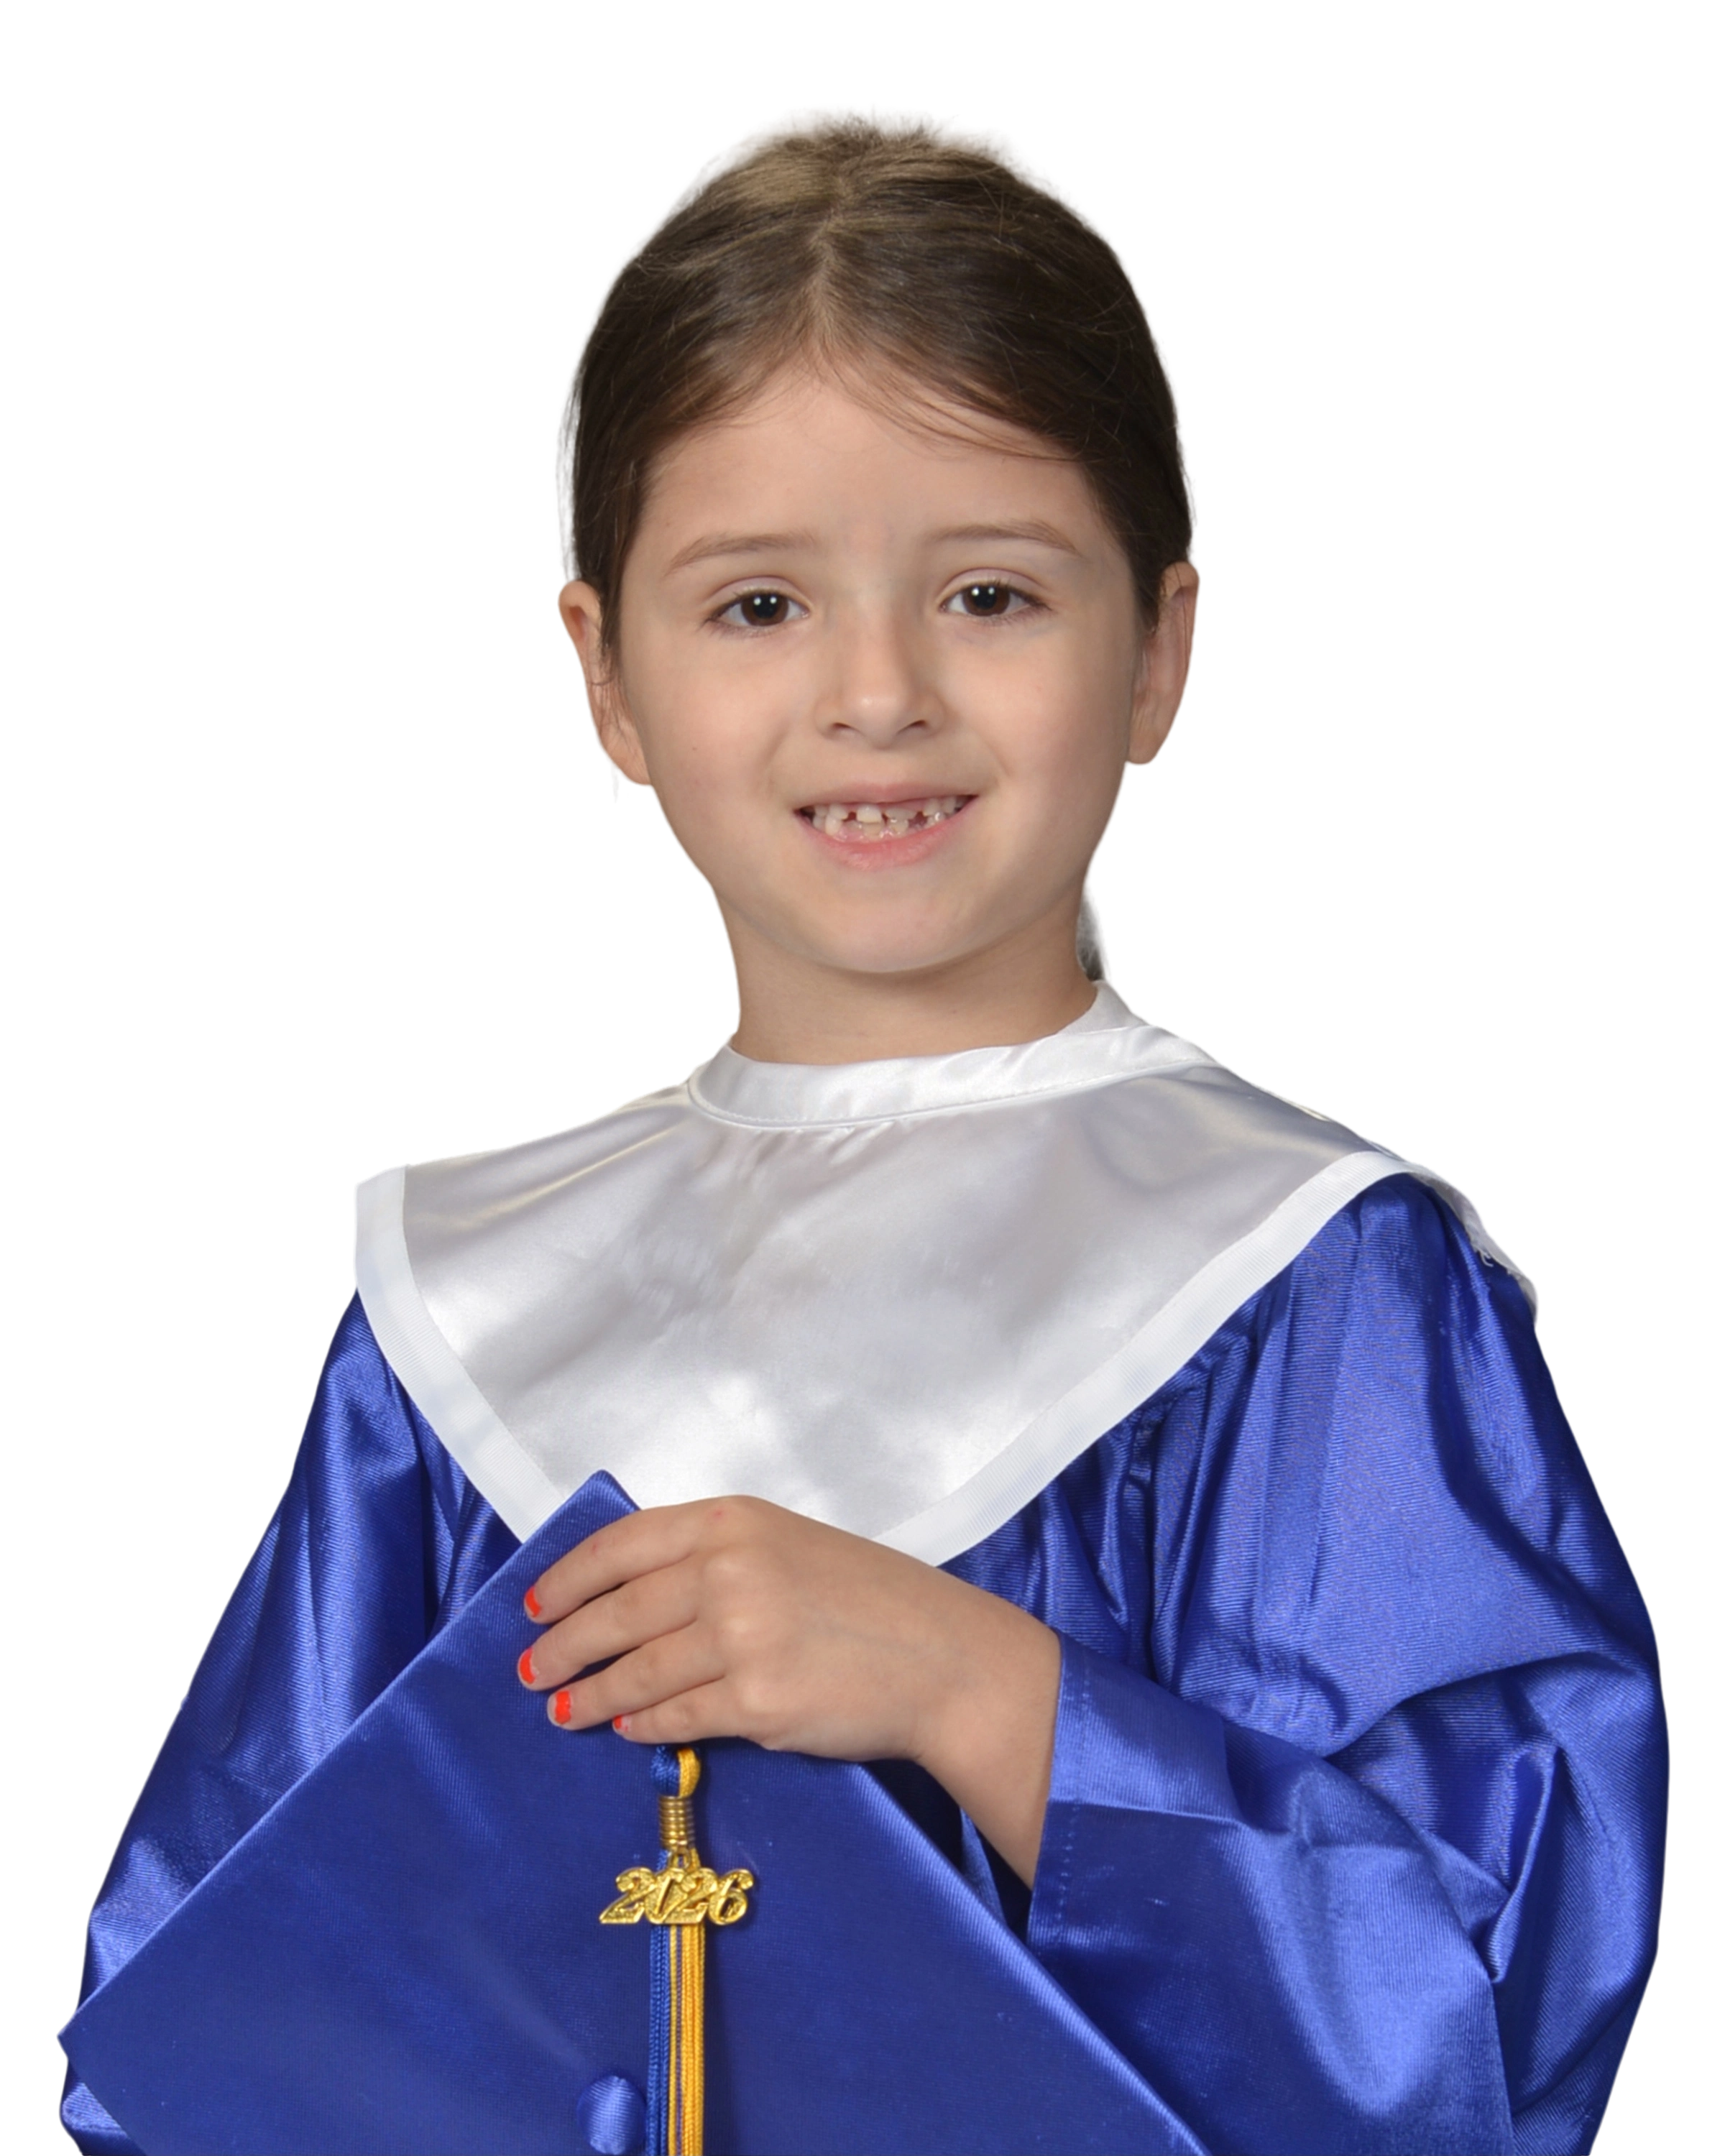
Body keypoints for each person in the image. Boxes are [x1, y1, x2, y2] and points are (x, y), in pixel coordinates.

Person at [58, 101, 1666, 2156]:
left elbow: (1487, 2012)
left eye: (990, 592)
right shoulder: (456, 1326)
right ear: (604, 678)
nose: (879, 692)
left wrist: (980, 1695)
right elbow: (207, 2019)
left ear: (1162, 651)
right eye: (758, 606)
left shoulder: (1311, 1289)